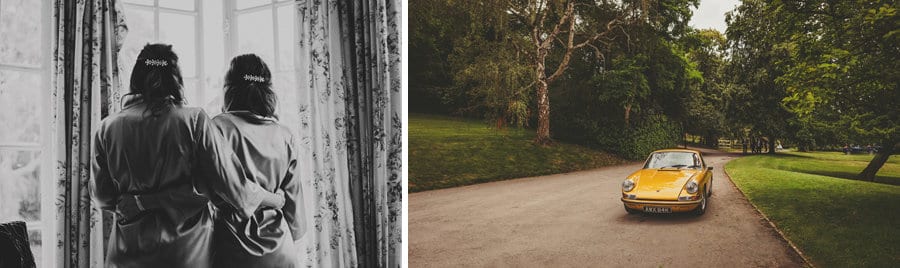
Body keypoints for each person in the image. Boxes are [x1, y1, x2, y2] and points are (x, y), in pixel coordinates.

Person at [90, 44, 285, 268]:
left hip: (126, 254)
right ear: (176, 78)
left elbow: (102, 197)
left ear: (136, 77)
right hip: (185, 254)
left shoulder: (107, 127)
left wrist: (141, 201)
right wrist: (276, 199)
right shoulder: (194, 121)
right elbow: (234, 190)